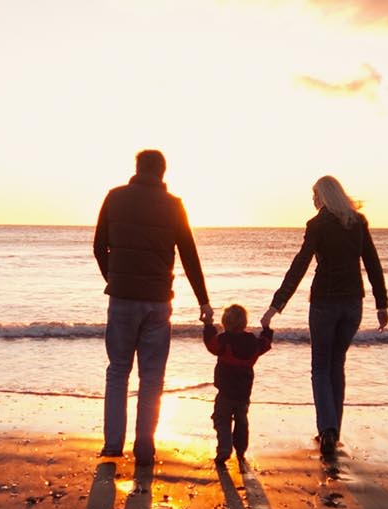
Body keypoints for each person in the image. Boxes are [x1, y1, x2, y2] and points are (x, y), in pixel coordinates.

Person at [93, 149, 212, 462]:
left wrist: (114, 278)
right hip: (158, 302)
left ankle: (112, 445)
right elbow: (189, 255)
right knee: (152, 375)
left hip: (121, 299)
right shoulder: (174, 206)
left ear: (137, 168)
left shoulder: (114, 197)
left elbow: (98, 245)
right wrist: (203, 300)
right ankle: (144, 445)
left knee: (118, 370)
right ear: (163, 172)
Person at [261, 175, 388, 461]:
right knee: (336, 365)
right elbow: (372, 264)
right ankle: (334, 431)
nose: (313, 200)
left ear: (323, 196)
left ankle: (328, 429)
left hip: (324, 304)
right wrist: (382, 304)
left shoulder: (317, 225)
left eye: (315, 195)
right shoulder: (358, 222)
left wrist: (276, 305)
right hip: (353, 304)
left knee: (320, 366)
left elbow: (300, 265)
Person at [202, 304, 273, 465]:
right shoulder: (252, 342)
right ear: (244, 323)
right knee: (242, 420)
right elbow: (266, 343)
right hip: (244, 392)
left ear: (225, 323)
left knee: (221, 419)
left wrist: (208, 325)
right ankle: (241, 450)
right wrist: (266, 328)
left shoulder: (224, 340)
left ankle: (224, 448)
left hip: (225, 391)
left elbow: (211, 344)